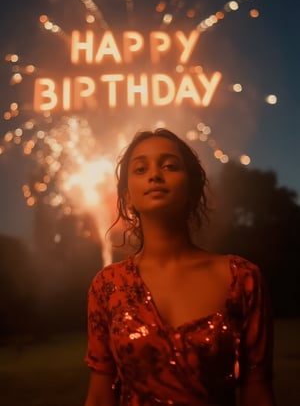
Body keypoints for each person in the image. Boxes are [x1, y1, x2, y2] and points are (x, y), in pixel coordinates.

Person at [84, 128, 276, 406]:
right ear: (127, 197)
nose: (155, 175)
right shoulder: (107, 286)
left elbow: (257, 392)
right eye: (140, 169)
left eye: (170, 165)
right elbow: (100, 396)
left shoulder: (242, 278)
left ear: (194, 187)